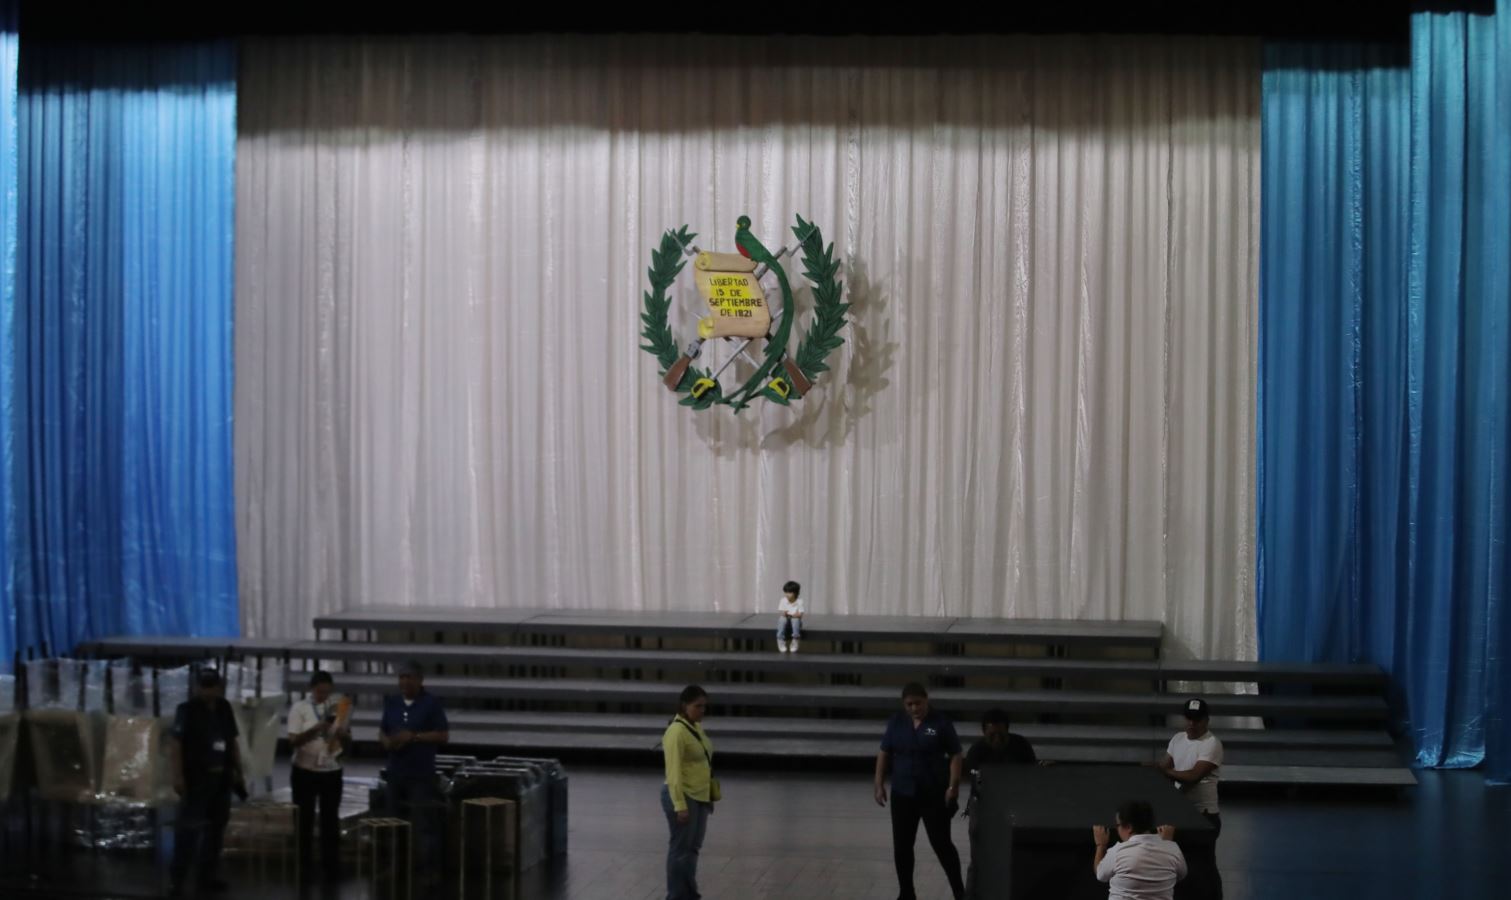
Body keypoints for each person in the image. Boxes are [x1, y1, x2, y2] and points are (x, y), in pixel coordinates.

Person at [874, 682, 966, 900]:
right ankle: (907, 892)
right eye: (909, 704)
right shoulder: (896, 722)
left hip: (933, 793)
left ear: (927, 700)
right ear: (903, 704)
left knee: (942, 844)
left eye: (918, 703)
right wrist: (878, 783)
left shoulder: (941, 723)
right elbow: (884, 752)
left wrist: (953, 786)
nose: (914, 708)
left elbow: (956, 755)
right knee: (903, 846)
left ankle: (960, 893)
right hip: (903, 793)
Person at [168, 668, 247, 897]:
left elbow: (232, 741)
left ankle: (207, 876)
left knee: (216, 830)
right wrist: (178, 775)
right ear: (196, 687)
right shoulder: (187, 710)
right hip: (196, 778)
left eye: (211, 686)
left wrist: (238, 771)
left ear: (219, 687)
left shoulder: (224, 708)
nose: (207, 690)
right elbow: (176, 744)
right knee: (188, 831)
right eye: (204, 686)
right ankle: (178, 880)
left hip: (221, 777)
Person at [379, 661, 449, 879]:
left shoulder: (431, 704)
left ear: (420, 680)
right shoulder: (392, 702)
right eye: (402, 677)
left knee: (423, 824)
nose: (405, 681)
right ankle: (395, 866)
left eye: (409, 677)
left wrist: (415, 737)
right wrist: (386, 742)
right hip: (396, 771)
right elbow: (383, 730)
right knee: (393, 822)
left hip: (420, 773)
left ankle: (428, 870)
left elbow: (443, 735)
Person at [287, 670, 350, 882]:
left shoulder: (338, 707)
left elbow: (348, 739)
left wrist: (342, 733)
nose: (323, 696)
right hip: (305, 770)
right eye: (320, 692)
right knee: (304, 817)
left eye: (327, 692)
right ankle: (303, 863)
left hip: (331, 769)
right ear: (312, 689)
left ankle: (330, 864)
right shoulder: (300, 708)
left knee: (330, 818)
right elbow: (293, 740)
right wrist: (315, 729)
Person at [661, 684, 719, 900]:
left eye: (705, 706)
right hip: (682, 795)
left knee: (692, 848)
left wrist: (709, 796)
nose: (703, 710)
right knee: (680, 849)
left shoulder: (696, 728)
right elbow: (673, 772)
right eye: (698, 706)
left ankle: (688, 894)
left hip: (699, 795)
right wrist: (679, 805)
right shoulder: (676, 732)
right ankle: (676, 895)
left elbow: (703, 764)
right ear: (684, 706)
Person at [1092, 800, 1186, 900]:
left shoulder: (1118, 851)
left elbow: (1100, 874)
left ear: (1128, 827)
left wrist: (1100, 845)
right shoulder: (1173, 849)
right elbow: (1181, 874)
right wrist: (1167, 843)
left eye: (1117, 825)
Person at [1159, 698, 1224, 836]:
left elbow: (1193, 776)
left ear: (1206, 720)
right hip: (1180, 812)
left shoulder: (1211, 743)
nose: (1192, 723)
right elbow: (1164, 769)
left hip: (1204, 814)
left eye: (1197, 719)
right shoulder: (1177, 739)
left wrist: (1164, 771)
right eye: (1189, 718)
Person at [775, 580, 804, 653]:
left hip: (795, 621)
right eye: (786, 592)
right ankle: (780, 639)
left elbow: (800, 614)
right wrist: (784, 613)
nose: (787, 594)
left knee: (796, 620)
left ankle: (795, 639)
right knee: (782, 619)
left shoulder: (799, 601)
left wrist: (796, 615)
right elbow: (781, 611)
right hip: (786, 620)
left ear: (795, 593)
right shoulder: (783, 600)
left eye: (790, 592)